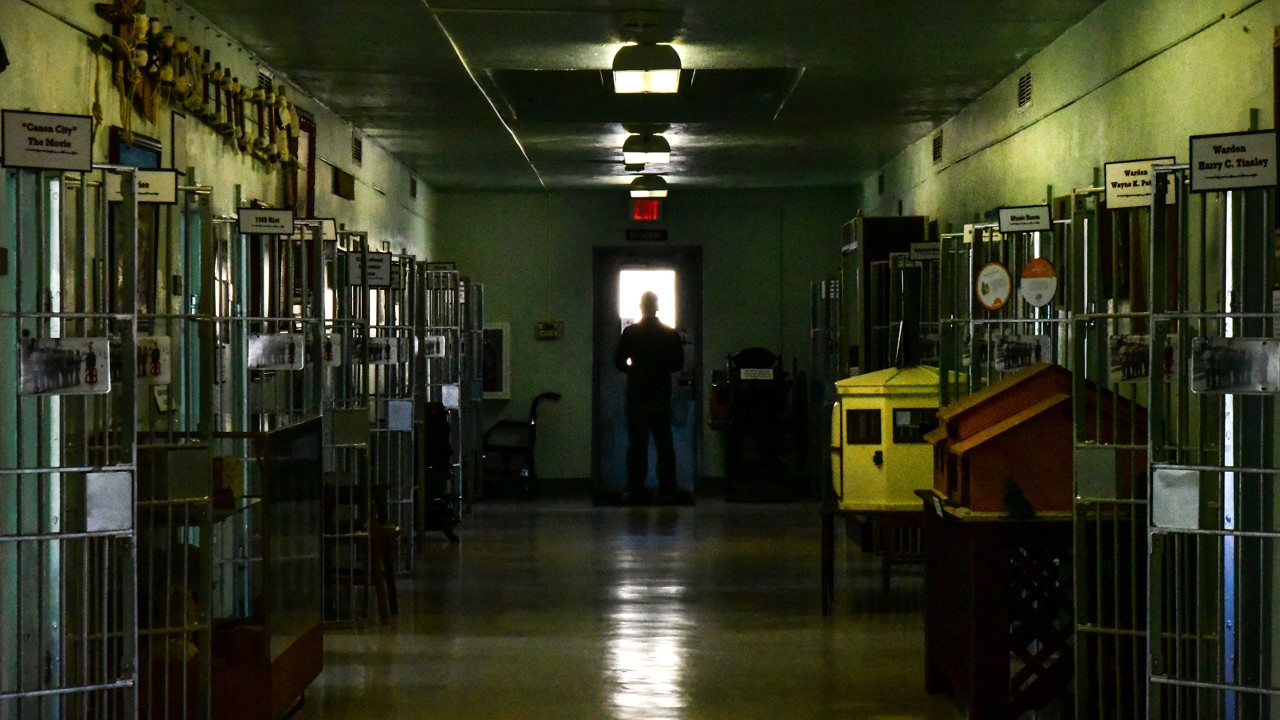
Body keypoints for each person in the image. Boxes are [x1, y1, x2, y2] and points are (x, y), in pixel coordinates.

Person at [614, 291, 683, 500]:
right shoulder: (669, 334)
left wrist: (635, 369)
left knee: (637, 445)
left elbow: (619, 362)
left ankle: (636, 488)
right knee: (664, 443)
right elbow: (677, 364)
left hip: (637, 394)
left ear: (641, 307)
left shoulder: (630, 333)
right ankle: (667, 486)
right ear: (657, 307)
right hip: (660, 394)